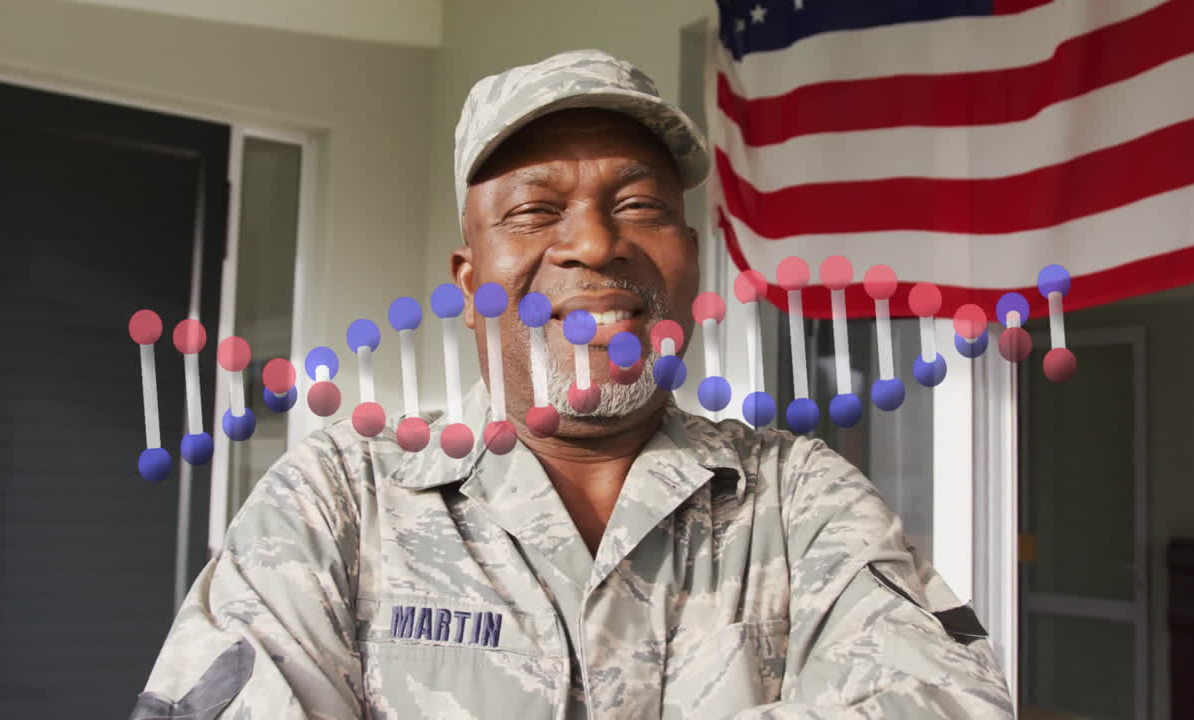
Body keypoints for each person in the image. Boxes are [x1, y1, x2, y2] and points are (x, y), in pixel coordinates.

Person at [132, 49, 1014, 720]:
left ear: (690, 263)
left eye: (640, 206)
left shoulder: (801, 497)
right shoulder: (340, 500)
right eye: (533, 210)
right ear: (469, 281)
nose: (595, 245)